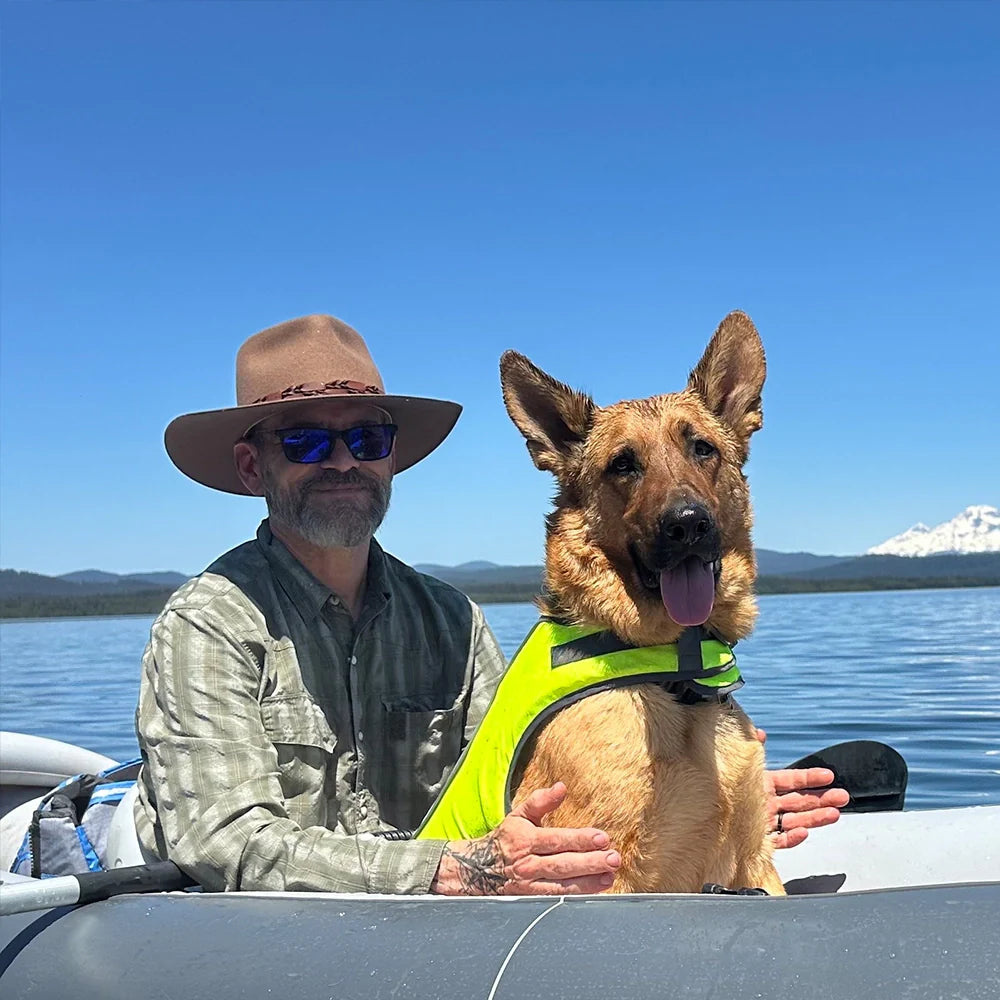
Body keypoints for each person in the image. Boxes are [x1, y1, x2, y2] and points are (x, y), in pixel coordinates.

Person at [135, 313, 847, 896]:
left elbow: (518, 782)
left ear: (390, 457)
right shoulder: (210, 622)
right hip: (261, 932)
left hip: (420, 927)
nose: (343, 461)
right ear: (254, 466)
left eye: (366, 438)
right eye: (306, 440)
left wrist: (710, 802)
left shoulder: (451, 621)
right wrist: (448, 868)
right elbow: (223, 845)